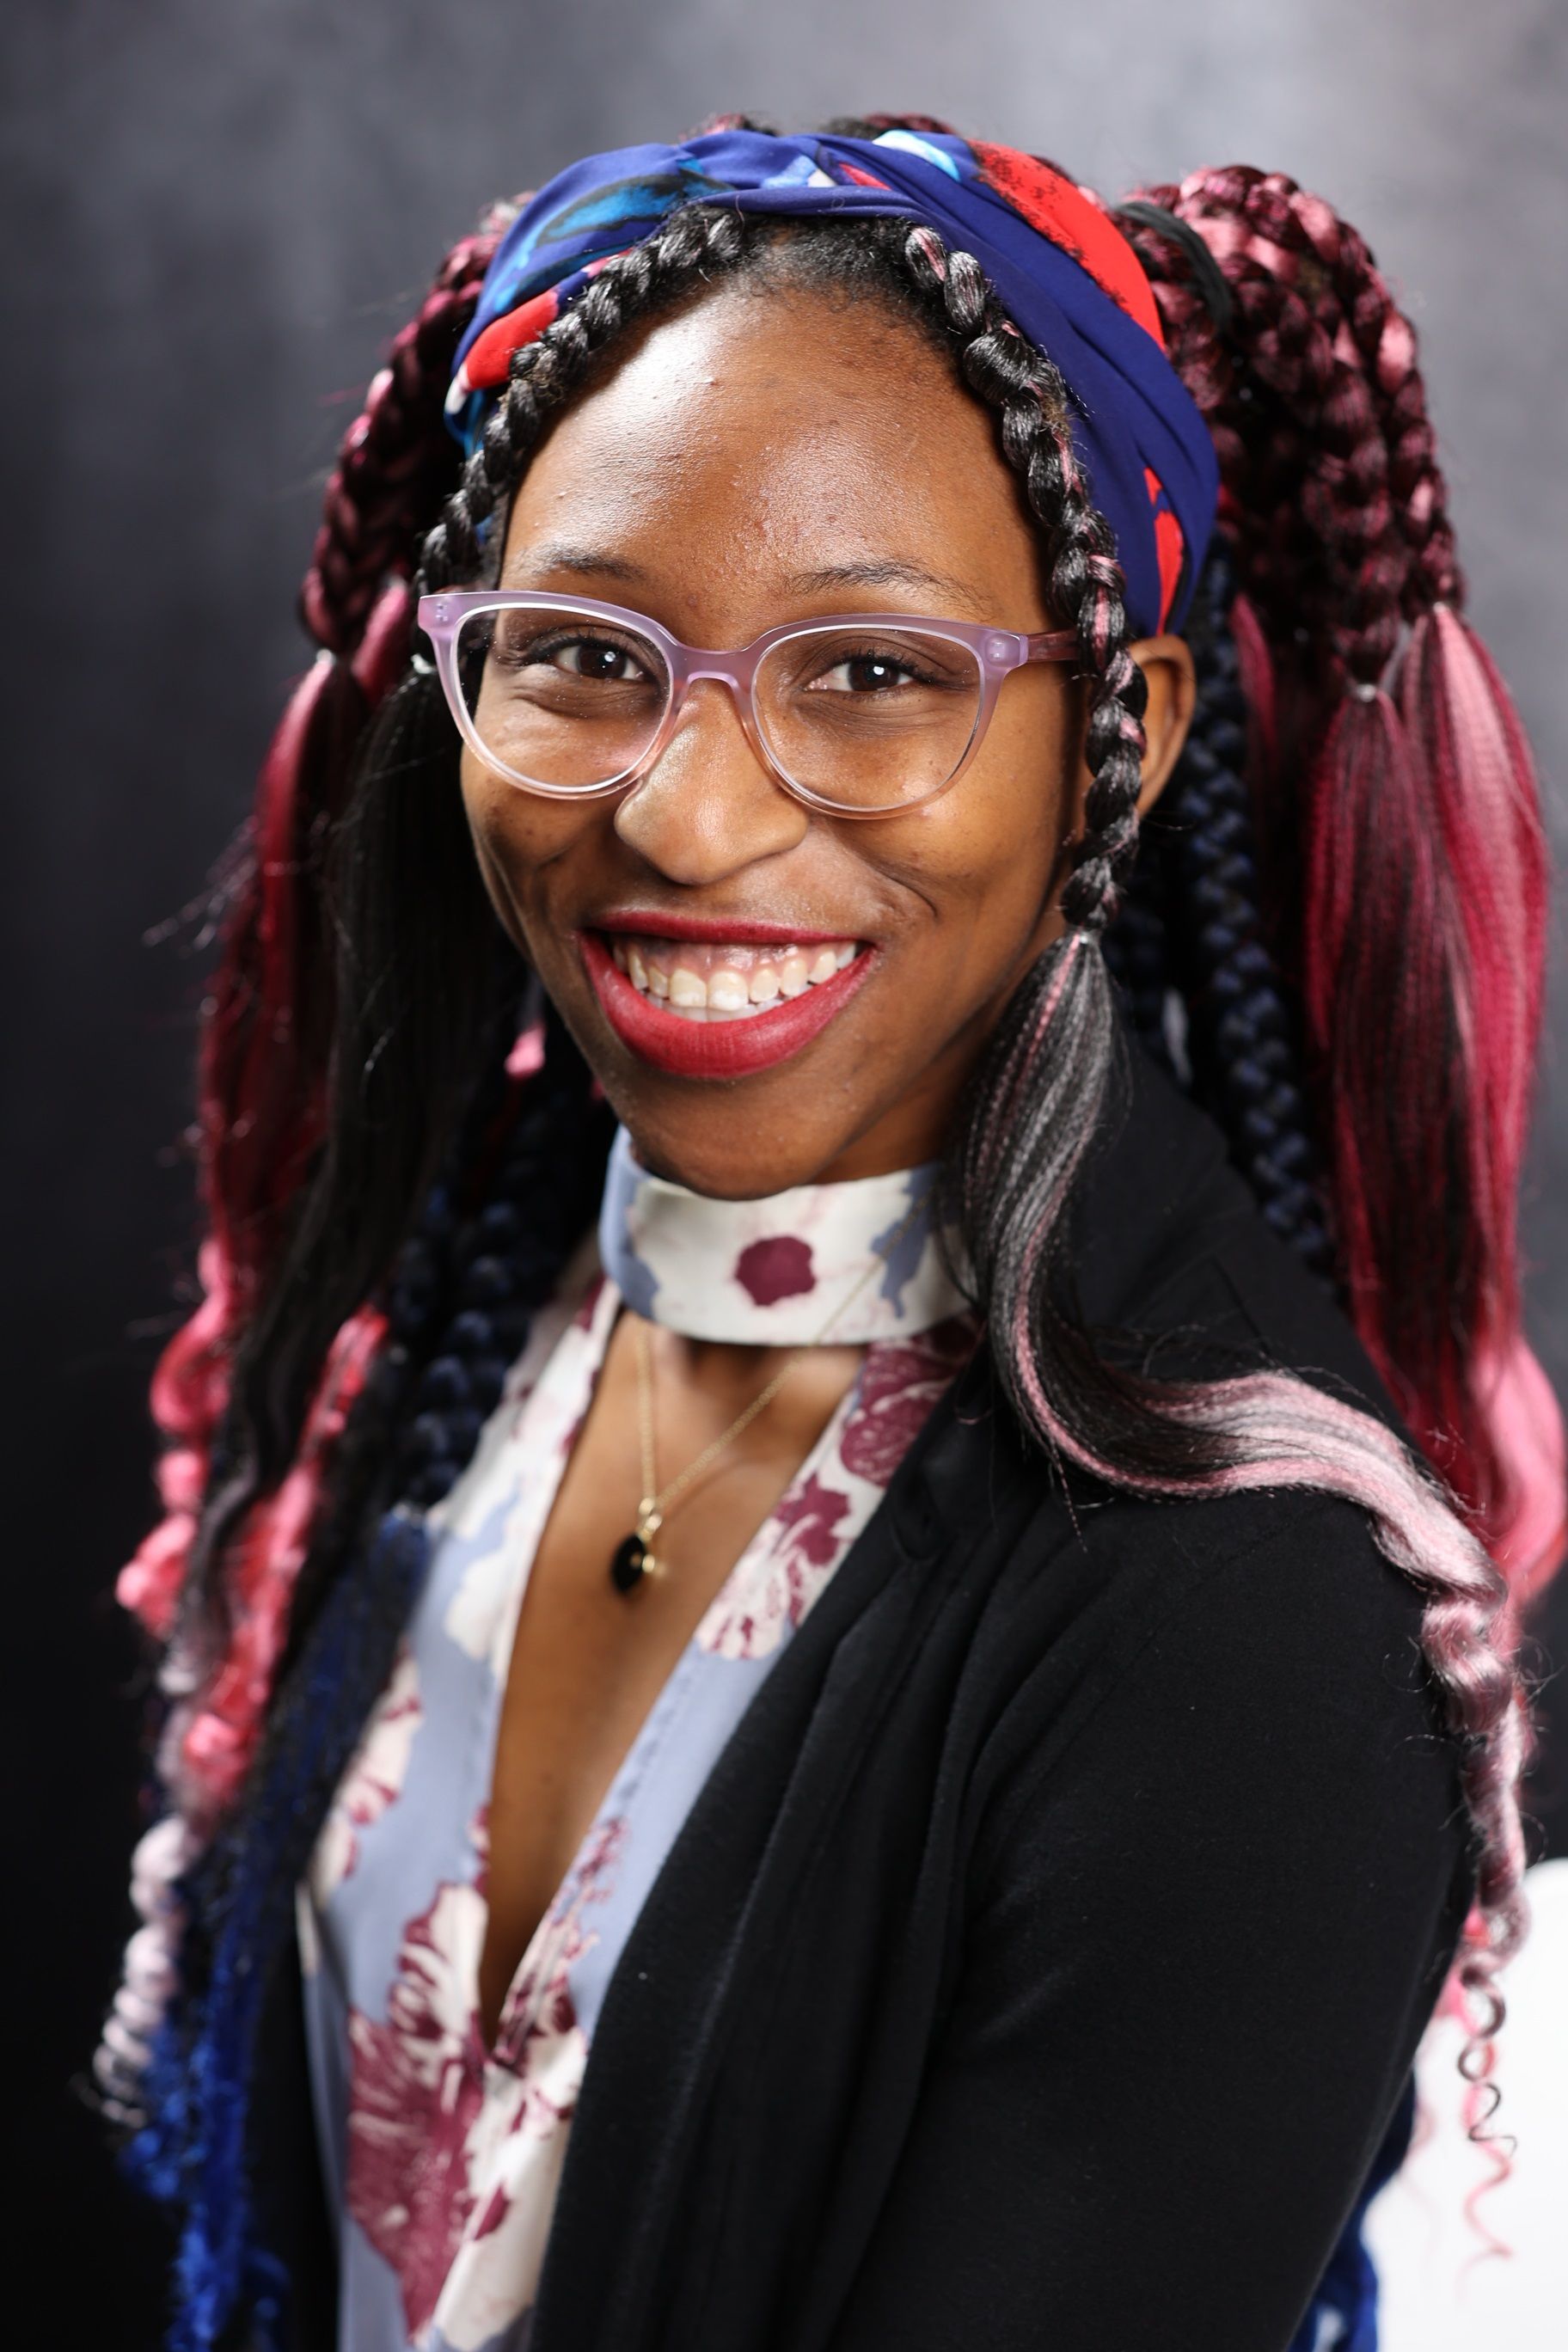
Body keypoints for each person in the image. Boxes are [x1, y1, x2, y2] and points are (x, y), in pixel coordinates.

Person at [98, 115, 1564, 2352]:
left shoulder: (1245, 1640)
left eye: (874, 677)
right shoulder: (474, 1330)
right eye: (583, 652)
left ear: (1122, 740)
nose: (679, 814)